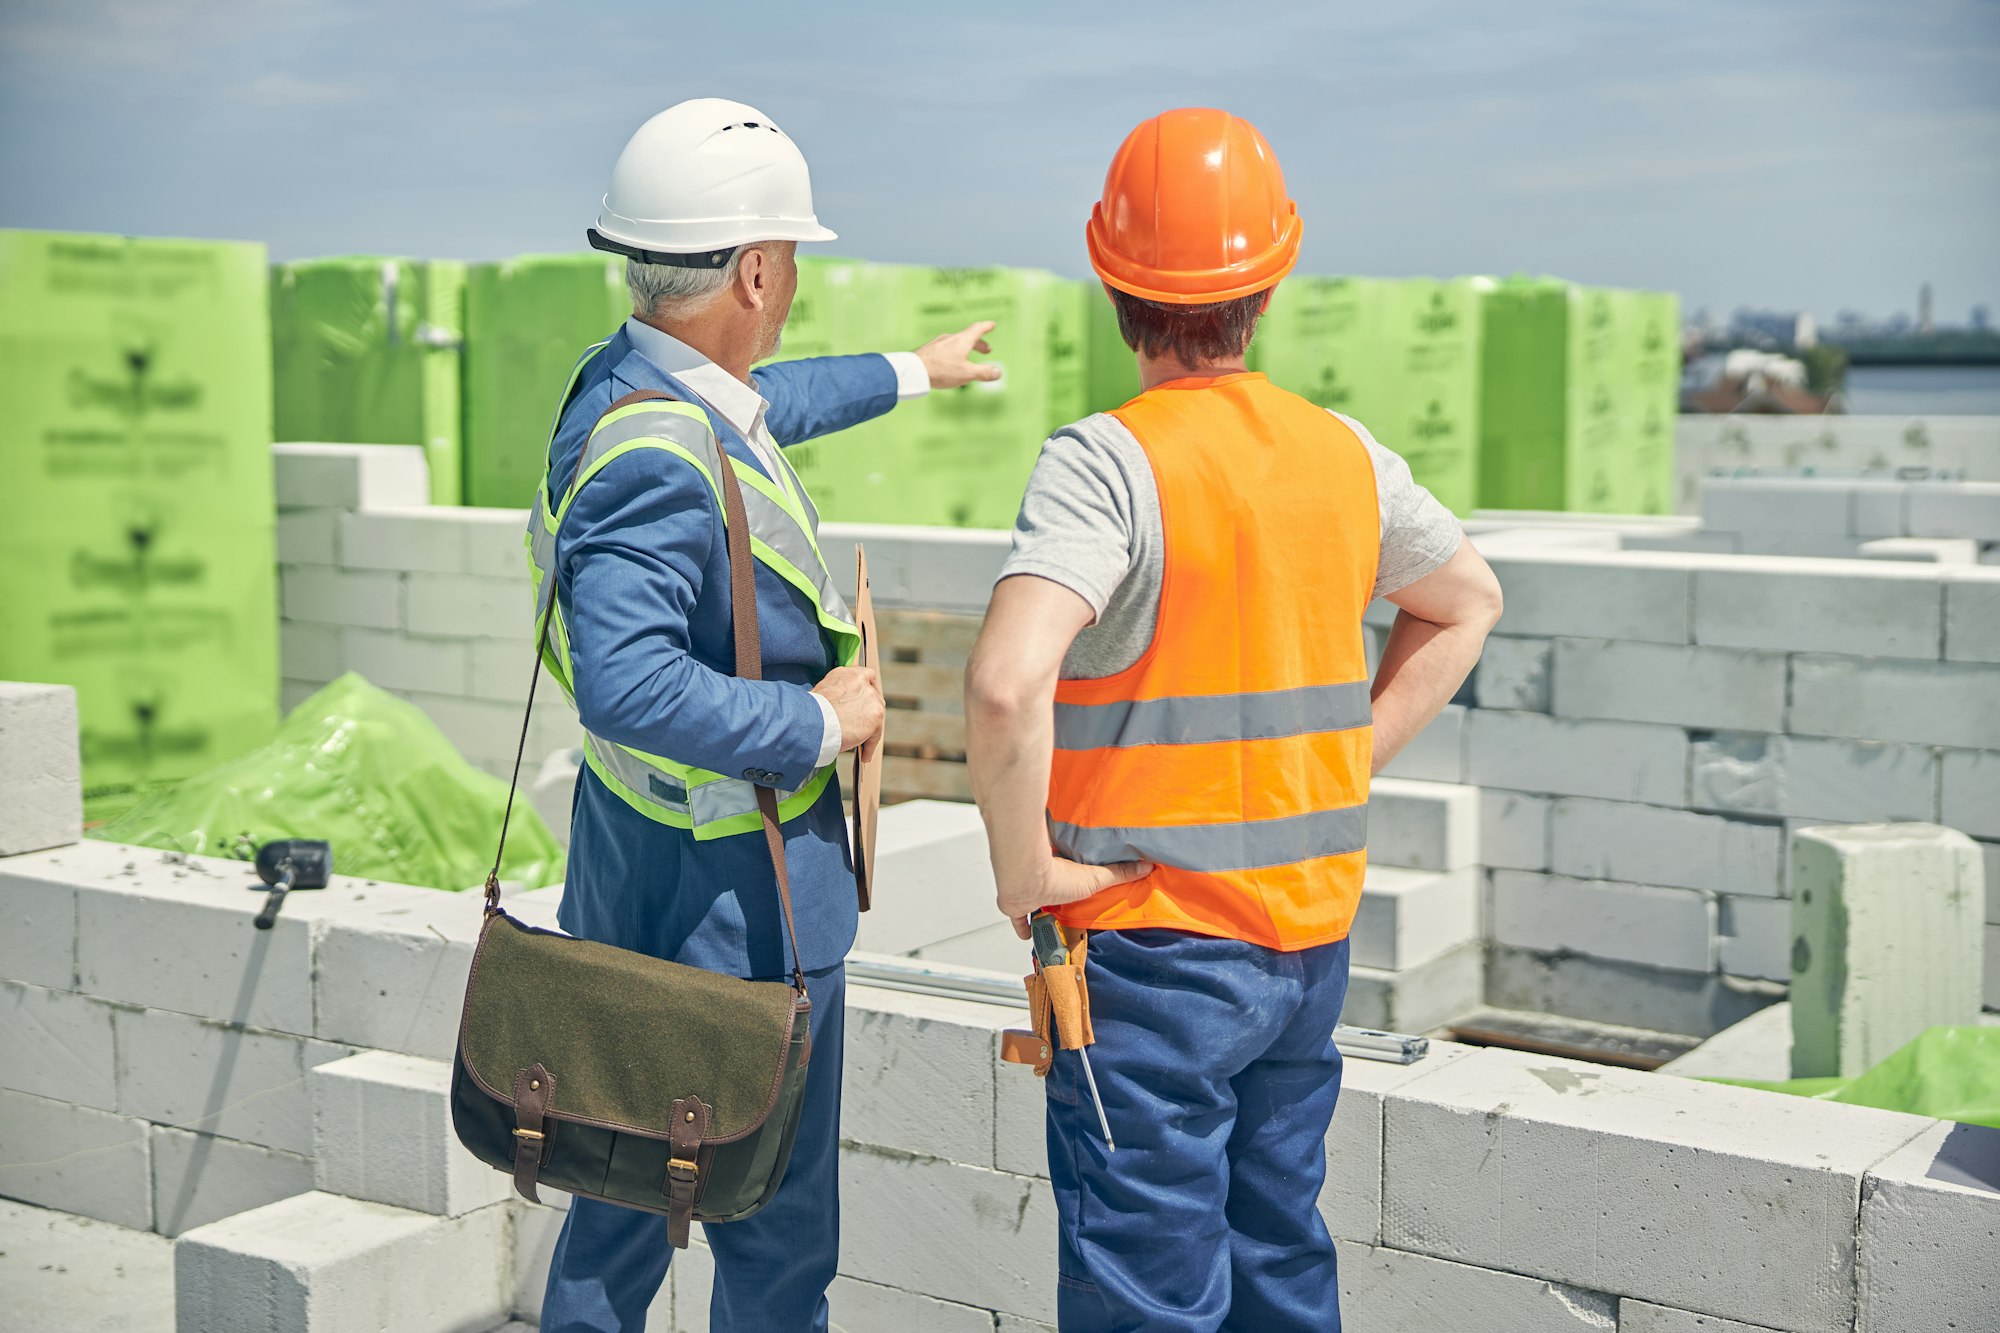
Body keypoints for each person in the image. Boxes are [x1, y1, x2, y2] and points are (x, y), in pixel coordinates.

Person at [963, 108, 1503, 1331]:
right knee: (1278, 1267)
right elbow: (1465, 603)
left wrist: (1022, 872)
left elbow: (1004, 683)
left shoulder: (1106, 463)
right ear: (1266, 285)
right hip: (1307, 951)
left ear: (1112, 280)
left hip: (1149, 953)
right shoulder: (1343, 455)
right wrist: (1341, 758)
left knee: (1145, 1295)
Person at [527, 98, 999, 1332]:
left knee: (618, 1194)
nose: (791, 278)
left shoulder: (630, 389)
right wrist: (817, 724)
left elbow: (763, 406)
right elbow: (627, 681)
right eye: (786, 254)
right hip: (733, 901)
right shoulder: (656, 463)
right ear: (751, 269)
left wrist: (915, 370)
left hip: (638, 869)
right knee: (773, 1233)